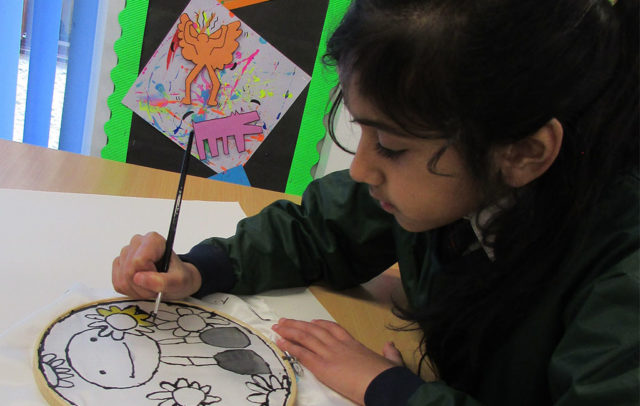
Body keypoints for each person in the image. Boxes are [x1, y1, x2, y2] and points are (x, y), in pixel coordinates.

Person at [112, 0, 639, 404]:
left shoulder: (623, 280)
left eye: (391, 145)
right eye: (361, 130)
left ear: (523, 152)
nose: (361, 168)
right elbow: (319, 230)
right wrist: (200, 269)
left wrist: (390, 390)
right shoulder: (445, 187)